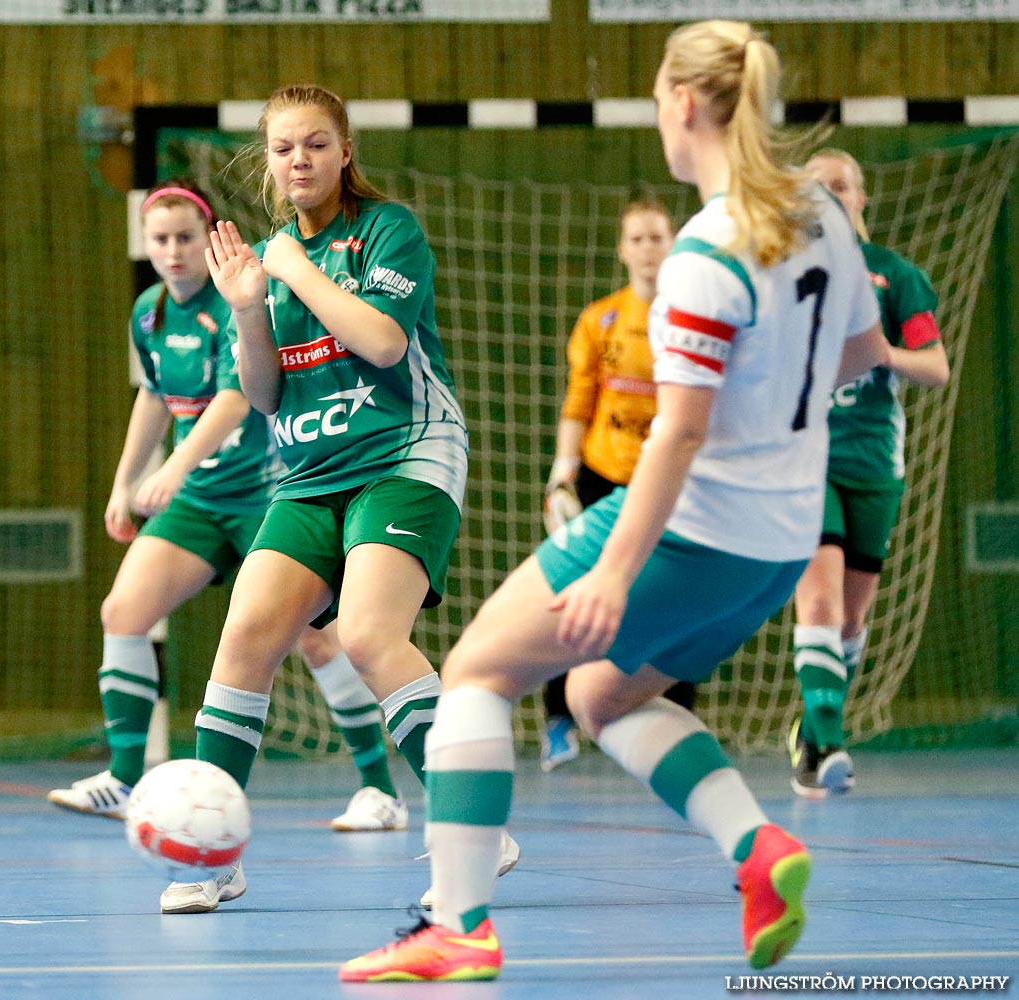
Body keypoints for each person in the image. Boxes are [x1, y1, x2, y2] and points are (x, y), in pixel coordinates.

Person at [340, 19, 895, 983]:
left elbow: (678, 435)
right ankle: (760, 852)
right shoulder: (822, 217)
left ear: (683, 103)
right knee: (603, 692)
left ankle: (460, 924)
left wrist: (613, 566)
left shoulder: (703, 255)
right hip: (780, 537)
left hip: (695, 525)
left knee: (475, 671)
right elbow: (860, 353)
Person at [160, 85, 519, 916]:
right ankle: (214, 855)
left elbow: (386, 343)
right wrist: (249, 308)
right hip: (308, 471)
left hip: (404, 454)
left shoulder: (385, 231)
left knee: (365, 633)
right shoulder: (267, 264)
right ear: (267, 159)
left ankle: (474, 828)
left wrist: (293, 270)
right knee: (245, 638)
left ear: (345, 150)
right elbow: (264, 393)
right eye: (283, 148)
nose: (299, 161)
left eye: (316, 144)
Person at [48, 179, 406, 842]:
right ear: (146, 246)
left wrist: (172, 469)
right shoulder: (150, 313)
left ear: (209, 238)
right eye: (160, 239)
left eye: (187, 237)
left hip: (269, 493)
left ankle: (380, 789)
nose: (174, 250)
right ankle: (126, 777)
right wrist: (124, 483)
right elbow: (154, 398)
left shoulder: (237, 303)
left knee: (319, 638)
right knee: (122, 612)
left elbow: (238, 396)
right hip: (200, 503)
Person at [787, 149, 950, 798]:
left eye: (840, 187)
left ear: (860, 199)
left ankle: (815, 721)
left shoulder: (894, 277)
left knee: (850, 622)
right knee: (820, 600)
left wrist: (881, 351)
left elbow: (935, 367)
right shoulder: (791, 277)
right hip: (806, 460)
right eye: (816, 190)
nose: (829, 197)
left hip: (875, 466)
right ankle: (825, 739)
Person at [540, 200, 696, 771]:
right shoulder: (601, 320)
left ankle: (677, 716)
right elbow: (579, 402)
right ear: (623, 249)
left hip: (670, 481)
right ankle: (559, 717)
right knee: (576, 588)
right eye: (638, 238)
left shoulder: (690, 320)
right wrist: (563, 472)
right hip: (605, 474)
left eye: (657, 236)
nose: (648, 248)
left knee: (673, 599)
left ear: (673, 243)